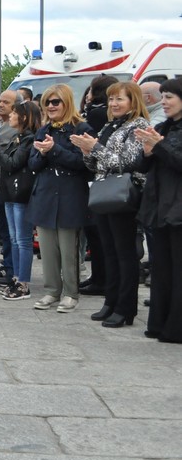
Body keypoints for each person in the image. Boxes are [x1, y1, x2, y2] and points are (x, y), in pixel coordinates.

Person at [72, 81, 150, 327]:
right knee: (108, 252)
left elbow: (127, 162)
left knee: (125, 254)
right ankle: (111, 302)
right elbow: (97, 166)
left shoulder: (138, 125)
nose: (114, 104)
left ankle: (125, 308)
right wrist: (87, 152)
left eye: (120, 99)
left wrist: (95, 147)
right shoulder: (110, 125)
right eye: (112, 99)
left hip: (124, 196)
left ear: (133, 101)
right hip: (104, 193)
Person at [27, 84, 93, 312]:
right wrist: (44, 153)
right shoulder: (43, 129)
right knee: (47, 249)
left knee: (69, 249)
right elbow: (33, 164)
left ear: (67, 102)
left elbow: (83, 164)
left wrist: (54, 150)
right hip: (45, 194)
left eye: (56, 102)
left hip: (70, 195)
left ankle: (71, 293)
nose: (51, 106)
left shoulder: (81, 128)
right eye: (47, 102)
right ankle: (51, 290)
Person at [137, 78, 182, 342]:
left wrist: (158, 146)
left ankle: (175, 328)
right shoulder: (163, 127)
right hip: (158, 206)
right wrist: (147, 151)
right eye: (162, 97)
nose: (163, 102)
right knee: (161, 269)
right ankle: (159, 323)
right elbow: (146, 168)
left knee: (177, 270)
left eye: (169, 98)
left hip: (177, 209)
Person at [0, 100, 41, 300]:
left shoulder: (29, 139)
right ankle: (16, 278)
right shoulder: (19, 138)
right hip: (10, 193)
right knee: (15, 239)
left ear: (24, 117)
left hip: (21, 194)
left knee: (23, 240)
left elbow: (12, 164)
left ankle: (23, 283)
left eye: (14, 113)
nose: (10, 116)